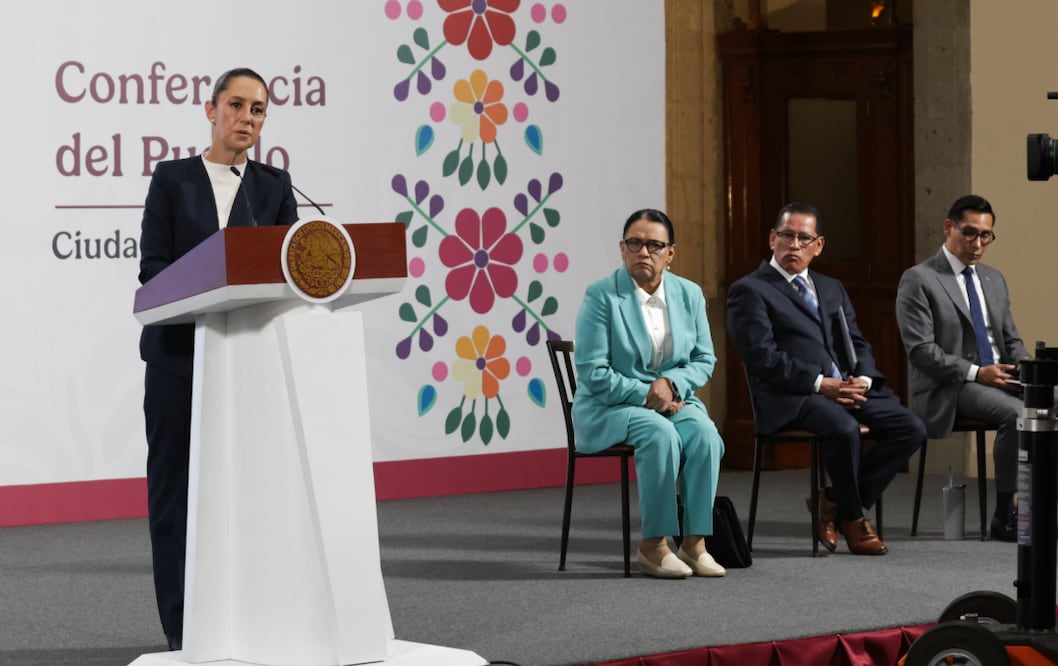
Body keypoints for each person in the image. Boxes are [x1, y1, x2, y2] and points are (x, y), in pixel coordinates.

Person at [138, 67, 298, 650]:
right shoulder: (172, 179)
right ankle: (184, 632)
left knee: (250, 496)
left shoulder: (276, 187)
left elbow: (291, 272)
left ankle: (250, 620)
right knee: (176, 496)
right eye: (236, 105)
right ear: (211, 110)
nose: (247, 119)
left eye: (258, 110)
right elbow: (151, 271)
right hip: (181, 362)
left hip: (247, 362)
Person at [727, 202, 925, 555]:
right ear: (772, 238)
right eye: (787, 236)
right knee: (843, 429)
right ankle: (853, 517)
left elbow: (857, 341)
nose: (795, 245)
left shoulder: (830, 286)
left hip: (844, 386)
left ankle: (832, 501)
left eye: (805, 238)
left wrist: (862, 379)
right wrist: (821, 384)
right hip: (793, 395)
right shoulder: (750, 289)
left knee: (911, 428)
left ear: (818, 245)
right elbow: (762, 358)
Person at [573, 208, 726, 579]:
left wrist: (671, 385)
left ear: (670, 253)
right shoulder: (602, 296)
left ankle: (694, 544)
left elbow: (705, 359)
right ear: (622, 249)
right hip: (610, 406)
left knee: (706, 435)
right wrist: (648, 393)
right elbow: (593, 373)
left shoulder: (689, 294)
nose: (644, 252)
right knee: (658, 433)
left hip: (673, 400)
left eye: (654, 245)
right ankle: (653, 546)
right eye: (635, 243)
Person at [895, 194, 1032, 542]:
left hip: (999, 377)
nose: (978, 243)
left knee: (1052, 406)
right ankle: (1006, 514)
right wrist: (977, 373)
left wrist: (1027, 370)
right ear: (948, 227)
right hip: (950, 385)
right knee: (1017, 414)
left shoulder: (994, 279)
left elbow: (1011, 340)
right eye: (970, 233)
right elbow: (922, 351)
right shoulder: (919, 279)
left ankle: (1045, 509)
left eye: (986, 235)